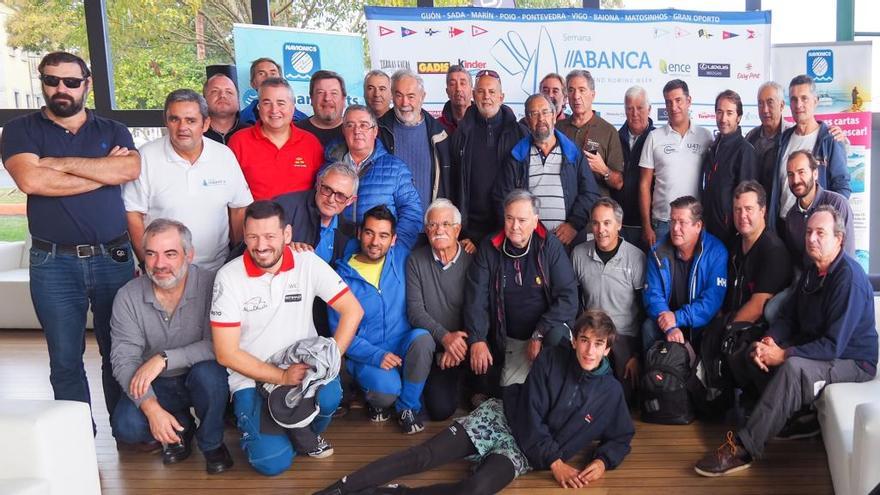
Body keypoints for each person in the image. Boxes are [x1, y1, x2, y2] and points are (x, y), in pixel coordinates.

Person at [314, 310, 635, 495]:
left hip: (522, 452)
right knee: (422, 455)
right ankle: (341, 488)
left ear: (608, 349)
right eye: (584, 341)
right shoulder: (551, 359)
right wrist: (555, 462)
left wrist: (604, 460)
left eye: (598, 345)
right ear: (574, 340)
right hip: (502, 419)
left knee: (475, 490)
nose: (589, 351)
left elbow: (622, 435)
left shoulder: (611, 393)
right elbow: (530, 414)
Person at [0, 51, 140, 428]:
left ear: (86, 84)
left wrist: (54, 162)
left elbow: (129, 167)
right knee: (64, 357)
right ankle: (75, 438)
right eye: (51, 80)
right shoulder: (20, 130)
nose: (61, 88)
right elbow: (31, 181)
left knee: (120, 350)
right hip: (53, 263)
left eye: (71, 81)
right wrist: (102, 173)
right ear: (42, 82)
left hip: (113, 257)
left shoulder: (113, 130)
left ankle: (127, 430)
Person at [695, 205, 877, 477]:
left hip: (852, 361)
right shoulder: (812, 270)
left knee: (792, 368)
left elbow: (832, 346)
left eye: (820, 233)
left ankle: (745, 447)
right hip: (818, 346)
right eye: (808, 232)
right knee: (752, 349)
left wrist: (783, 354)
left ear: (839, 239)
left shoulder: (848, 279)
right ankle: (794, 419)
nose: (811, 239)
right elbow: (788, 317)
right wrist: (770, 341)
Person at [211, 201, 364, 475]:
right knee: (272, 464)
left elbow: (352, 310)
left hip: (303, 371)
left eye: (270, 236)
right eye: (253, 236)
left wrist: (329, 361)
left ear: (287, 234)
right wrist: (280, 377)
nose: (261, 245)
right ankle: (292, 433)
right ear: (243, 235)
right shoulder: (228, 277)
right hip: (253, 378)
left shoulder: (307, 261)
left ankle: (294, 427)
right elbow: (226, 353)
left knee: (330, 395)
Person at [110, 219, 233, 473]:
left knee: (210, 375)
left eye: (170, 254)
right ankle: (181, 426)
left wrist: (164, 358)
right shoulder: (127, 296)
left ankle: (211, 443)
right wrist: (151, 408)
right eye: (151, 254)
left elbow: (220, 346)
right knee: (126, 427)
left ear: (189, 255)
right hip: (156, 382)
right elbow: (124, 359)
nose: (159, 264)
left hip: (201, 375)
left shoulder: (214, 285)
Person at [330, 205, 435, 434]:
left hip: (402, 343)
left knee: (424, 339)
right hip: (368, 354)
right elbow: (340, 333)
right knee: (386, 393)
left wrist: (467, 245)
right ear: (359, 233)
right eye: (369, 233)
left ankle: (407, 408)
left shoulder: (403, 258)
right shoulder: (341, 276)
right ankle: (379, 400)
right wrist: (377, 356)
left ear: (393, 239)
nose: (375, 241)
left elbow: (436, 253)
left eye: (383, 235)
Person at [125, 89, 253, 272]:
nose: (182, 127)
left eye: (191, 120)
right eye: (174, 119)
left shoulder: (224, 155)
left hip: (216, 269)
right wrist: (148, 264)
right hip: (165, 272)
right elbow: (133, 214)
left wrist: (237, 261)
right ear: (166, 122)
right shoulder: (146, 156)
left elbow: (239, 209)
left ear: (206, 123)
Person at [465, 190, 579, 395]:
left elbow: (568, 297)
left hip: (545, 335)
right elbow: (476, 299)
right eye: (509, 218)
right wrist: (477, 338)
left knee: (557, 339)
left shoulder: (549, 246)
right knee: (512, 398)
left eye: (522, 220)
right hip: (511, 340)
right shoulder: (489, 248)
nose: (515, 226)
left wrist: (539, 333)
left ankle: (559, 390)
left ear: (535, 221)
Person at [495, 94, 600, 248]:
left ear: (554, 117)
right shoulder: (516, 156)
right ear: (527, 120)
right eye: (534, 114)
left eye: (545, 112)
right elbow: (502, 198)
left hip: (568, 243)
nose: (541, 119)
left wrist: (573, 225)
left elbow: (590, 193)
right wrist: (521, 230)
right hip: (528, 244)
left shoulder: (573, 153)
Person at [571, 198, 645, 404]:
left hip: (623, 336)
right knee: (585, 397)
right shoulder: (578, 254)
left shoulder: (636, 257)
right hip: (591, 335)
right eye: (595, 223)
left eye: (607, 223)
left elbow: (644, 310)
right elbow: (573, 302)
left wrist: (636, 355)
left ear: (619, 225)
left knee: (623, 399)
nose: (600, 229)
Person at [406, 199, 474, 421]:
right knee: (440, 410)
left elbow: (481, 308)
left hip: (468, 344)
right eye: (433, 225)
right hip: (437, 349)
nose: (439, 230)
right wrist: (445, 339)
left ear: (457, 229)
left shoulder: (474, 260)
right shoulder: (416, 261)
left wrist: (458, 345)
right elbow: (415, 311)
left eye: (446, 224)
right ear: (426, 231)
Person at [274, 162, 359, 337]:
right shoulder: (285, 207)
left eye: (341, 196)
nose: (331, 199)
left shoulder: (349, 232)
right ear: (318, 183)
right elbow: (250, 248)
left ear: (351, 201)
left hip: (319, 313)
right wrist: (284, 249)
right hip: (278, 307)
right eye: (327, 189)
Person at [326, 104, 424, 250]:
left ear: (375, 131)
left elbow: (412, 212)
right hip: (335, 254)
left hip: (379, 256)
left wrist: (395, 250)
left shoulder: (395, 169)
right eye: (350, 125)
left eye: (364, 125)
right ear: (343, 130)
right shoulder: (328, 168)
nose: (357, 130)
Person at [449, 69, 527, 250]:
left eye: (492, 92)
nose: (486, 97)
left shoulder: (520, 133)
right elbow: (453, 182)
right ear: (474, 96)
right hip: (469, 233)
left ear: (501, 97)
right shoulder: (461, 134)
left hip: (509, 228)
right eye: (481, 92)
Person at [642, 196, 728, 352]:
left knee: (716, 328)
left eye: (682, 222)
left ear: (698, 226)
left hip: (700, 321)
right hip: (668, 319)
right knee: (649, 327)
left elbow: (712, 300)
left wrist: (678, 317)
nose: (675, 228)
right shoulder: (657, 252)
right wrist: (670, 326)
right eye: (672, 221)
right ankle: (654, 374)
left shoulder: (716, 251)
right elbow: (652, 295)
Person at [768, 74, 851, 232]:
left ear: (815, 101)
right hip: (783, 226)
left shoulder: (830, 139)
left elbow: (842, 189)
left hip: (814, 229)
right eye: (794, 99)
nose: (799, 104)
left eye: (804, 98)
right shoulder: (783, 139)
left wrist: (826, 225)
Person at [639, 79, 714, 248]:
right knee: (661, 273)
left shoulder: (706, 137)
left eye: (678, 100)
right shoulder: (654, 137)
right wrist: (647, 226)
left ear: (689, 101)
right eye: (668, 102)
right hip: (662, 223)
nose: (673, 107)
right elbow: (644, 185)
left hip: (693, 222)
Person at [228, 77, 324, 201]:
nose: (274, 110)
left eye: (281, 103)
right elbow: (229, 193)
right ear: (258, 107)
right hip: (255, 219)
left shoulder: (311, 143)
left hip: (300, 220)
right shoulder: (239, 141)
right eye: (267, 103)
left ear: (293, 107)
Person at [377, 69, 451, 211]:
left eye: (411, 96)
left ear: (422, 97)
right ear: (392, 96)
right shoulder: (378, 132)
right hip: (390, 227)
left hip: (430, 228)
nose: (405, 103)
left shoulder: (441, 135)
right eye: (399, 96)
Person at [721, 181, 792, 326]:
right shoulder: (733, 244)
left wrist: (724, 329)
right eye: (737, 210)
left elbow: (757, 308)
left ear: (762, 210)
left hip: (755, 332)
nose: (742, 216)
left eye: (749, 209)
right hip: (729, 321)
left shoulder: (773, 251)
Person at [700, 90, 758, 245]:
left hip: (731, 235)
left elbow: (747, 198)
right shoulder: (713, 147)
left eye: (729, 113)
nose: (723, 118)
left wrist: (738, 231)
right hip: (708, 230)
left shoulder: (745, 151)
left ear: (738, 117)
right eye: (719, 112)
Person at [556, 70, 624, 197]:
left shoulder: (608, 131)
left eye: (582, 90)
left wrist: (603, 170)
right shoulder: (557, 128)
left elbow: (618, 183)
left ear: (592, 95)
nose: (576, 96)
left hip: (596, 210)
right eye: (571, 90)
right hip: (564, 206)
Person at [784, 150, 855, 266]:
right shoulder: (791, 216)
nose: (796, 180)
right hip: (810, 281)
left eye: (801, 172)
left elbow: (848, 258)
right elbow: (798, 263)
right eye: (791, 175)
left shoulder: (837, 204)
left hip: (836, 280)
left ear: (815, 174)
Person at [614, 85, 655, 249]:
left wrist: (649, 225)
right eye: (630, 108)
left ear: (649, 109)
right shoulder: (614, 138)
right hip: (619, 224)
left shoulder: (657, 139)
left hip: (648, 225)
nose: (635, 113)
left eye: (640, 108)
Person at [240, 57, 307, 125]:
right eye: (261, 73)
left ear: (281, 80)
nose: (268, 77)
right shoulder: (240, 120)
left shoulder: (303, 121)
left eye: (273, 73)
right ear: (253, 83)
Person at [295, 70, 346, 147]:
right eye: (320, 92)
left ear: (343, 99)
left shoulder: (355, 133)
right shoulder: (294, 132)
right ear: (311, 98)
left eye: (334, 93)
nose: (327, 98)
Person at [202, 73, 250, 145]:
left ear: (238, 100)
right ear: (204, 99)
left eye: (229, 92)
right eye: (215, 91)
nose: (222, 95)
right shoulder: (195, 135)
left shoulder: (252, 133)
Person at [437, 65, 473, 134]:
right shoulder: (436, 126)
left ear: (472, 91)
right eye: (452, 84)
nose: (458, 89)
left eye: (462, 83)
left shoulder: (484, 123)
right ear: (447, 92)